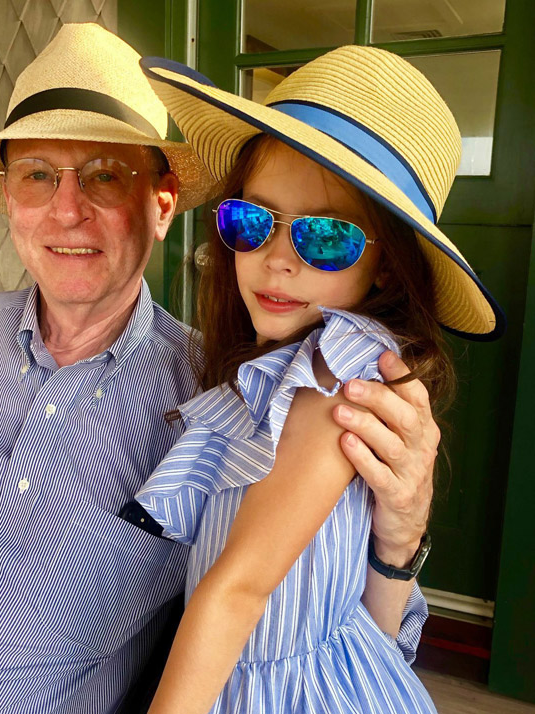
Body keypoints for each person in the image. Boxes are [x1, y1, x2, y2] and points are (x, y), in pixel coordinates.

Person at [0, 24, 456, 713]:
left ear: (162, 206)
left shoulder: (222, 400)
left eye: (105, 175)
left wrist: (400, 537)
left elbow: (343, 630)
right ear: (9, 199)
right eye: (37, 175)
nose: (67, 211)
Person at [133, 46, 505, 713]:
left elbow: (238, 589)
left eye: (326, 238)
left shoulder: (339, 364)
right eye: (251, 221)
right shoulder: (270, 364)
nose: (277, 259)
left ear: (385, 266)